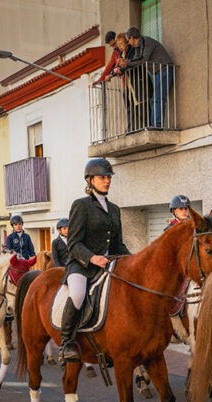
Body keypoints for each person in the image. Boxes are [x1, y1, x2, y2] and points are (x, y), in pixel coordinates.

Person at [59, 158, 131, 363]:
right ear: (90, 180)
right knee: (79, 294)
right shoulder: (81, 205)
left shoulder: (115, 209)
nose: (107, 181)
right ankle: (67, 343)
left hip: (108, 264)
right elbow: (73, 243)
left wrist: (135, 260)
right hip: (81, 266)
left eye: (108, 177)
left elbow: (118, 245)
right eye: (102, 177)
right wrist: (92, 258)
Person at [121, 27, 174, 129]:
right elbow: (135, 61)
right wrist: (124, 65)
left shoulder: (147, 42)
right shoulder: (138, 47)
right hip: (158, 72)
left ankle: (156, 125)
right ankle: (154, 124)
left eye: (128, 40)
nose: (129, 43)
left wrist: (127, 62)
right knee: (155, 99)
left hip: (164, 69)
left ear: (132, 38)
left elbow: (143, 60)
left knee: (158, 98)